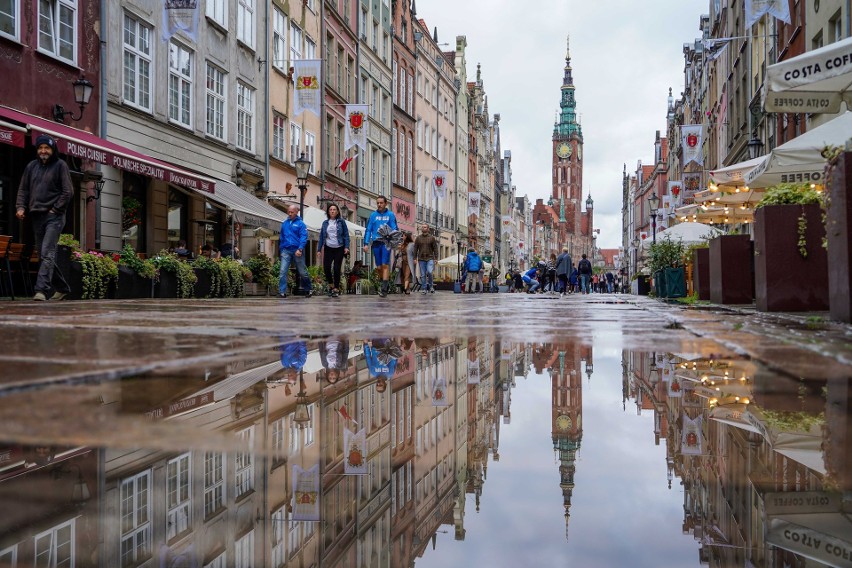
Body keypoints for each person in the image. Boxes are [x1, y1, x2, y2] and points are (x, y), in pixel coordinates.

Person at [15, 134, 73, 301]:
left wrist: (56, 209)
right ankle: (62, 287)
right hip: (36, 217)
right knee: (43, 254)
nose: (43, 151)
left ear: (52, 149)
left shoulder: (60, 165)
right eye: (40, 148)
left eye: (46, 148)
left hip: (54, 217)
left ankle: (41, 290)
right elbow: (23, 190)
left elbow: (68, 191)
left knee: (47, 252)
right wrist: (20, 207)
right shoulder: (31, 167)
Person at [362, 196, 398, 297]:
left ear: (386, 203)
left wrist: (395, 240)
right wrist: (366, 243)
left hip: (386, 242)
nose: (379, 205)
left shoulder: (390, 215)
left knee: (385, 265)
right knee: (378, 267)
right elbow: (368, 229)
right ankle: (384, 282)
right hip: (376, 243)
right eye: (377, 203)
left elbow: (395, 228)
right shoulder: (373, 215)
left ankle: (384, 289)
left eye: (381, 203)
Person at [278, 204, 312, 298]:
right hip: (286, 250)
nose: (289, 214)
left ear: (296, 212)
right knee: (282, 271)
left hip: (297, 250)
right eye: (288, 212)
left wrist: (300, 248)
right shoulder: (284, 223)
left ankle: (308, 289)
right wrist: (282, 248)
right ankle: (282, 291)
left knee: (302, 272)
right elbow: (282, 237)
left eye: (292, 212)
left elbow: (303, 237)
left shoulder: (301, 224)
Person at [317, 203, 350, 298]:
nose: (332, 211)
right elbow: (321, 237)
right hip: (328, 247)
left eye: (334, 209)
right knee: (326, 268)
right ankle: (331, 285)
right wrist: (319, 249)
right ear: (328, 211)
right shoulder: (325, 223)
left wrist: (346, 247)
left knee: (336, 268)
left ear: (337, 211)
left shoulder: (341, 222)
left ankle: (336, 288)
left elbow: (346, 235)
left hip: (339, 248)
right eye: (330, 209)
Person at [413, 223, 438, 295]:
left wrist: (436, 258)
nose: (423, 228)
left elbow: (435, 248)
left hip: (430, 257)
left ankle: (431, 286)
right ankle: (424, 289)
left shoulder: (432, 238)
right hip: (421, 258)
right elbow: (415, 249)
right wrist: (415, 258)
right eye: (422, 227)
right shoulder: (418, 238)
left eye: (425, 227)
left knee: (429, 272)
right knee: (423, 274)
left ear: (428, 229)